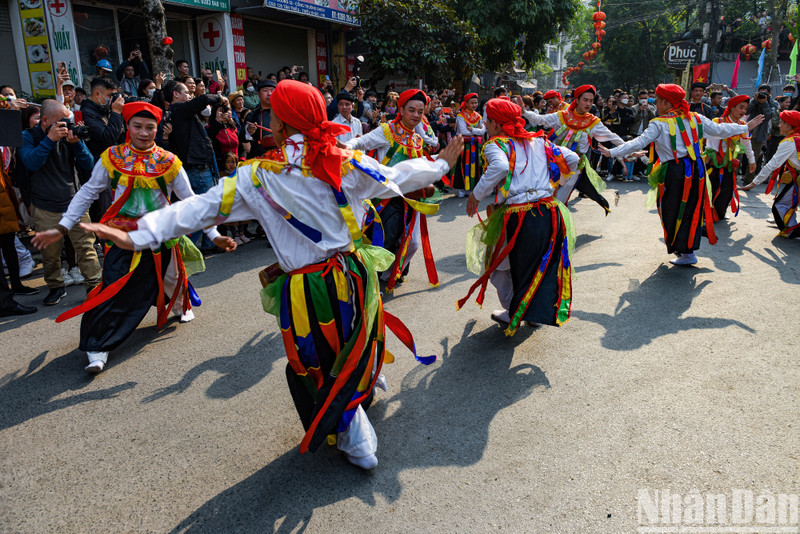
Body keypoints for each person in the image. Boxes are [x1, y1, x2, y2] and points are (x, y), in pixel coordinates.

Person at [81, 80, 464, 469]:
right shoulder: (344, 159)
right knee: (356, 339)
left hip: (309, 287)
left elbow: (198, 210)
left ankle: (358, 439)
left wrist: (139, 234)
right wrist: (441, 163)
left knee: (318, 360)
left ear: (279, 123)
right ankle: (360, 394)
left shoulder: (257, 176)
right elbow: (396, 176)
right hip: (354, 273)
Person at [32, 102, 233, 373]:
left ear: (158, 129)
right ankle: (98, 345)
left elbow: (191, 203)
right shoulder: (112, 158)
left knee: (171, 278)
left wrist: (214, 234)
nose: (143, 132)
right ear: (127, 127)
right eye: (137, 126)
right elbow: (87, 192)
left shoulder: (168, 162)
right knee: (113, 287)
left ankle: (179, 305)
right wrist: (63, 227)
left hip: (160, 235)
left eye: (150, 127)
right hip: (121, 235)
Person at [599, 84, 763, 265]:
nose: (656, 105)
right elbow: (721, 130)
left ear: (665, 102)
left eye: (658, 101)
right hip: (696, 169)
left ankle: (685, 250)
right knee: (690, 208)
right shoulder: (695, 118)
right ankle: (687, 250)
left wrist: (611, 152)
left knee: (671, 209)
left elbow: (639, 142)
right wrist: (745, 127)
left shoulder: (659, 123)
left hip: (675, 171)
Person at [458, 98, 579, 335]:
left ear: (494, 123)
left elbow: (501, 168)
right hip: (548, 212)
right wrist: (556, 185)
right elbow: (572, 159)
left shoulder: (495, 144)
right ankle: (532, 312)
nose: (484, 123)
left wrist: (475, 194)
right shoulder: (539, 141)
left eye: (486, 119)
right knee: (539, 265)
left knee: (500, 266)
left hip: (518, 215)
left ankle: (515, 311)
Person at [344, 89, 441, 293]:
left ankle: (391, 273)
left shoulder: (417, 138)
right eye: (411, 110)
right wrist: (345, 147)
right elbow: (361, 141)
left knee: (413, 243)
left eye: (420, 111)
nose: (415, 115)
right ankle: (373, 279)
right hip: (385, 197)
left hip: (409, 198)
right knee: (384, 240)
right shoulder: (386, 131)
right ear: (401, 109)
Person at [19, 100, 101, 305]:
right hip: (44, 205)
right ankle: (56, 287)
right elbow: (31, 162)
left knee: (86, 247)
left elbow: (89, 163)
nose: (66, 125)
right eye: (61, 121)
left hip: (74, 202)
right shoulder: (28, 136)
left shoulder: (68, 136)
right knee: (50, 252)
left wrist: (77, 144)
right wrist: (49, 140)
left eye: (67, 120)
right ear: (45, 120)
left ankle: (94, 286)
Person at [524, 85, 624, 213]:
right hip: (553, 165)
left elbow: (613, 137)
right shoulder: (561, 116)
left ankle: (557, 229)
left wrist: (632, 150)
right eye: (585, 100)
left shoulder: (593, 122)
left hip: (573, 169)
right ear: (576, 100)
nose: (588, 103)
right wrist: (523, 111)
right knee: (543, 200)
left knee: (558, 203)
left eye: (591, 100)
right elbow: (539, 120)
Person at [163, 80, 227, 250]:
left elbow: (205, 136)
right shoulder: (178, 110)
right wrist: (219, 98)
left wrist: (218, 122)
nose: (189, 95)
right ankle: (183, 250)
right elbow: (203, 99)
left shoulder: (187, 115)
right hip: (196, 169)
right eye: (185, 92)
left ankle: (208, 244)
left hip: (203, 166)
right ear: (175, 94)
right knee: (202, 211)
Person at [741, 110, 800, 238]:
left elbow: (772, 164)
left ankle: (791, 229)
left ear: (789, 125)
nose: (779, 125)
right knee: (784, 202)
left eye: (781, 122)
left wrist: (754, 182)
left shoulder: (789, 142)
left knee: (780, 204)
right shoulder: (796, 138)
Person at [703, 95, 755, 222]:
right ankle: (706, 213)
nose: (743, 111)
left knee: (727, 188)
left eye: (745, 109)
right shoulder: (718, 122)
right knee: (711, 187)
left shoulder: (743, 125)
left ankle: (720, 212)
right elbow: (711, 142)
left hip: (730, 162)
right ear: (732, 108)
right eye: (741, 107)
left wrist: (752, 160)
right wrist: (716, 157)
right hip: (715, 160)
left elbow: (746, 143)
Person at [453, 93, 486, 198]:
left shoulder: (478, 116)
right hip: (463, 145)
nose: (474, 105)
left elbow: (483, 131)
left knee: (475, 165)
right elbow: (463, 131)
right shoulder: (460, 116)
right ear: (466, 103)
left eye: (476, 103)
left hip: (474, 146)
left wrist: (472, 130)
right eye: (472, 103)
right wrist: (477, 130)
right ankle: (462, 189)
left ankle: (472, 187)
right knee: (462, 165)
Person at [743, 87, 777, 185]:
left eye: (765, 93)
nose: (763, 95)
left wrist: (764, 103)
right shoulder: (754, 101)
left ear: (770, 93)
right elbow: (747, 111)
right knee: (741, 155)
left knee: (754, 156)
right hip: (748, 130)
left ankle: (748, 180)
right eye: (761, 92)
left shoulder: (772, 103)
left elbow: (768, 116)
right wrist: (754, 101)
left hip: (759, 134)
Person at [243, 79, 277, 158]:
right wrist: (248, 131)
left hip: (281, 156)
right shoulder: (253, 115)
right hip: (260, 157)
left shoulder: (283, 112)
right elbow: (243, 136)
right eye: (265, 91)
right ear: (258, 94)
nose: (269, 94)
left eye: (272, 90)